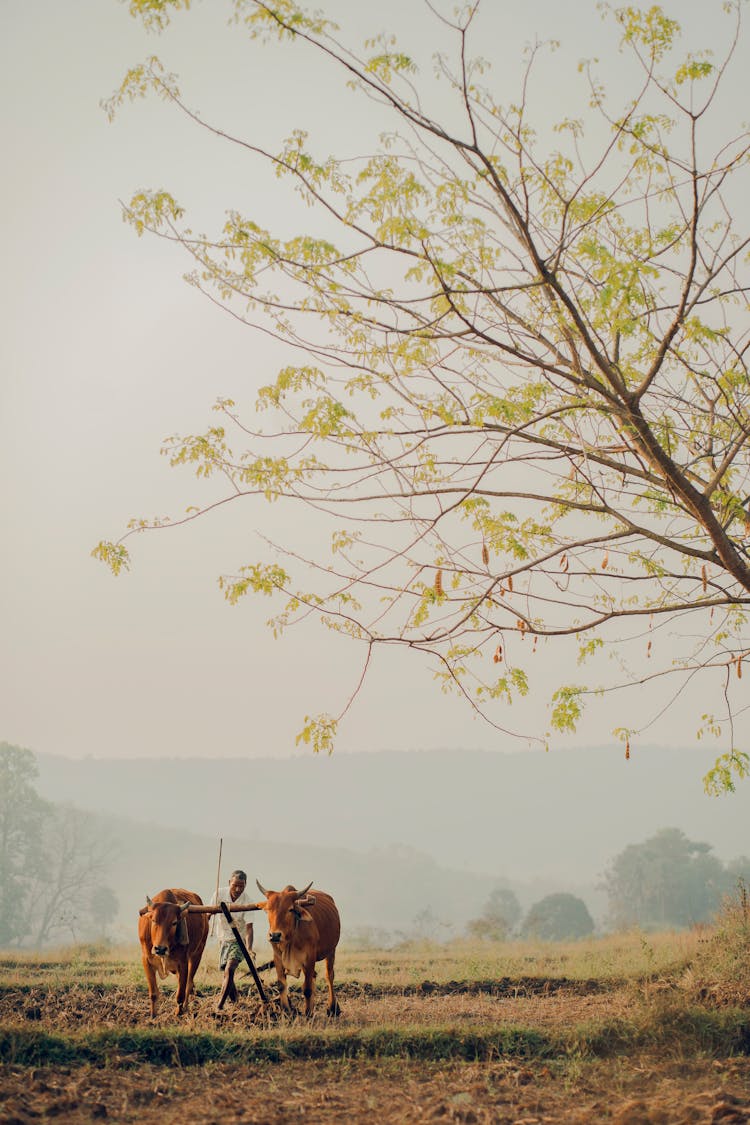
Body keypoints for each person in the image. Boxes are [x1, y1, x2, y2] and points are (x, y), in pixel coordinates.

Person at [210, 868, 256, 1010]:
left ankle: (220, 1005)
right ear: (229, 882)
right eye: (234, 885)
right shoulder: (219, 893)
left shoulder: (248, 901)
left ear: (245, 885)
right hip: (223, 938)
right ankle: (236, 1002)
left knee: (229, 970)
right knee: (227, 973)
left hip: (239, 941)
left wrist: (248, 948)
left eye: (241, 886)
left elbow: (249, 928)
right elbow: (209, 912)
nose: (237, 889)